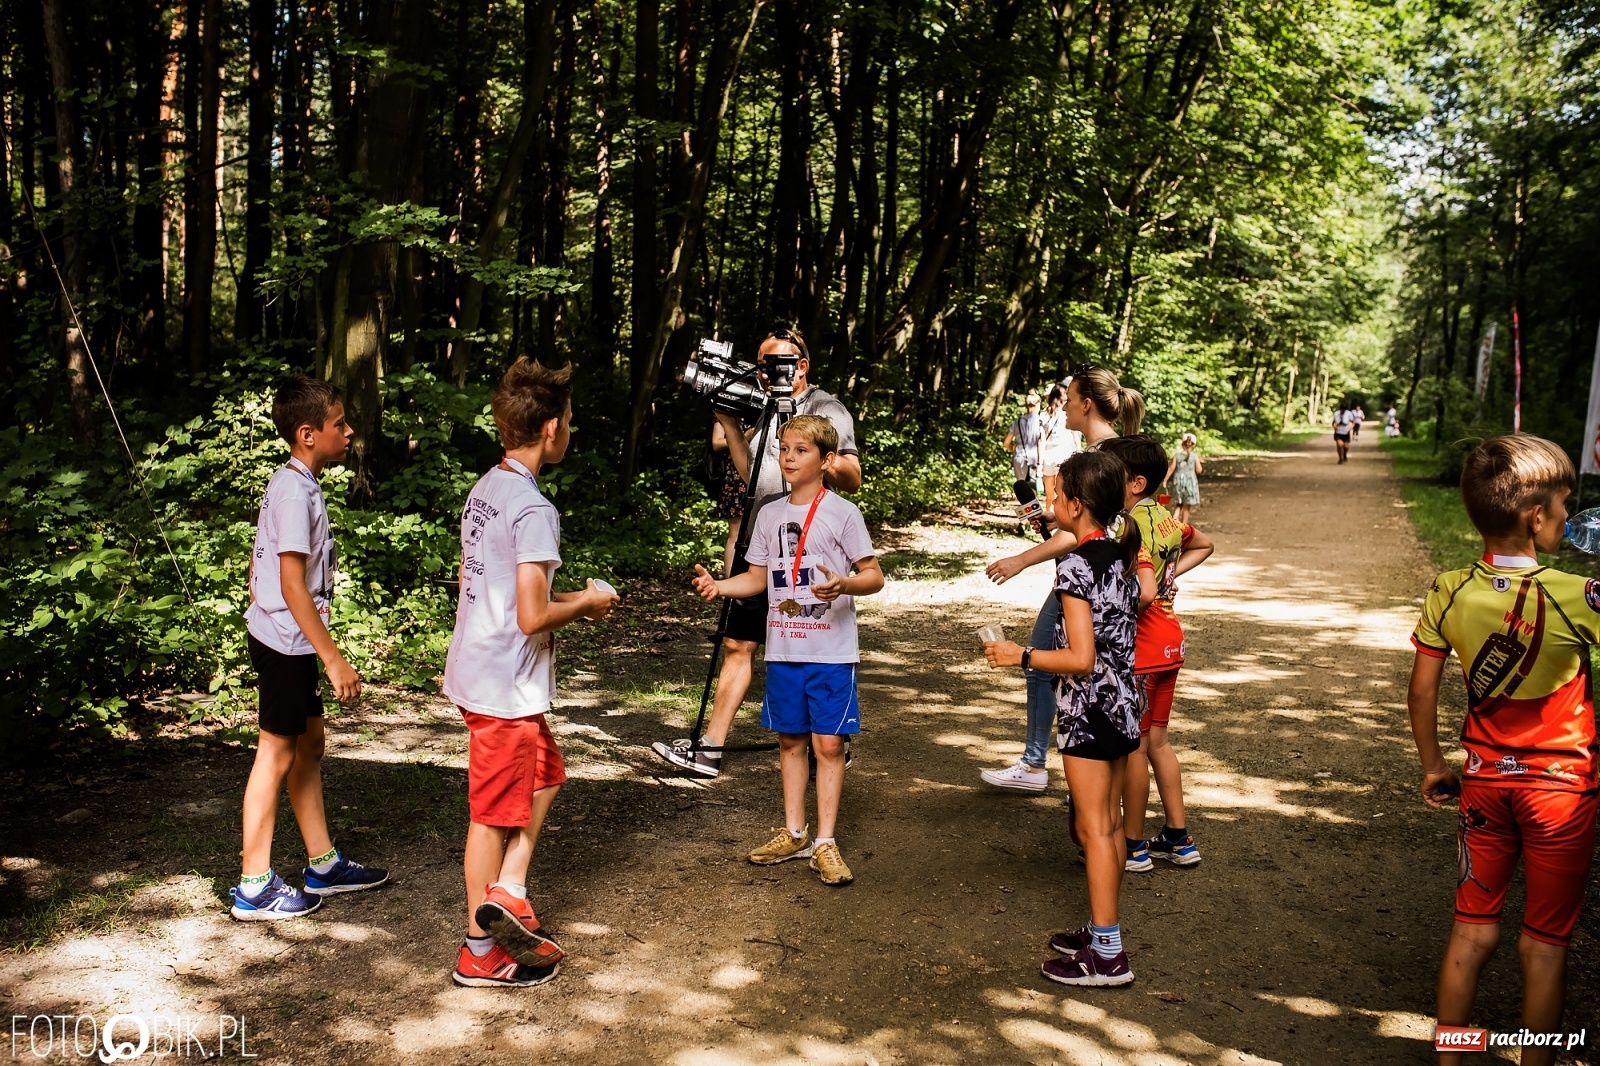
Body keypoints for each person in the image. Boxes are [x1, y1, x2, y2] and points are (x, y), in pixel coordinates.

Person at [1408, 435, 1596, 1066]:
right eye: (1565, 507)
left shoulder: (1449, 590)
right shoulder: (1579, 597)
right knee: (1543, 945)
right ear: (1535, 517)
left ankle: (1450, 1060)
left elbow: (1423, 689)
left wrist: (1435, 765)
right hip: (1562, 793)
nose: (1568, 519)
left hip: (1485, 784)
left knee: (1471, 931)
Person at [443, 358, 620, 988]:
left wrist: (565, 600)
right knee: (491, 815)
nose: (571, 430)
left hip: (478, 670)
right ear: (550, 428)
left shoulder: (487, 489)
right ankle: (479, 953)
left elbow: (485, 584)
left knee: (546, 773)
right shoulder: (534, 508)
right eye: (569, 421)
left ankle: (509, 891)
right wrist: (588, 604)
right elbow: (531, 615)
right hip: (503, 686)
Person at [654, 327, 863, 778]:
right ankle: (709, 749)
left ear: (801, 366)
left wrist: (819, 453)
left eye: (776, 364)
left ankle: (831, 744)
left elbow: (853, 477)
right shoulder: (760, 402)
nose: (765, 373)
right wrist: (730, 425)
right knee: (737, 643)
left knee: (813, 651)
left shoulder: (828, 409)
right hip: (763, 540)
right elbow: (754, 476)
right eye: (761, 363)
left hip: (811, 549)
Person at [689, 414, 884, 885]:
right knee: (790, 740)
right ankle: (795, 832)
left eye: (801, 450)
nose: (789, 457)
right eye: (784, 448)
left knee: (829, 744)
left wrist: (845, 584)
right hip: (783, 648)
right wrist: (720, 586)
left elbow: (874, 576)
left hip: (832, 651)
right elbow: (756, 578)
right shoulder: (769, 514)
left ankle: (826, 842)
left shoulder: (842, 513)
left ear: (827, 460)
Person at [232, 377, 389, 921]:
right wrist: (333, 657)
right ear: (307, 434)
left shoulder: (296, 482)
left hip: (290, 639)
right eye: (339, 424)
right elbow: (293, 584)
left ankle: (323, 863)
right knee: (275, 754)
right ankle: (254, 884)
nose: (348, 432)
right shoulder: (295, 491)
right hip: (286, 643)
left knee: (310, 744)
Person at [984, 450, 1143, 986]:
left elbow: (1081, 658)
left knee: (1092, 828)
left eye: (1056, 496)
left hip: (1091, 710)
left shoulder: (1076, 564)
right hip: (1123, 703)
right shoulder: (1116, 554)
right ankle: (1102, 930)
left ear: (1078, 504)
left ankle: (1107, 954)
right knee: (1110, 825)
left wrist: (1019, 656)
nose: (1050, 503)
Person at [979, 366, 1143, 792]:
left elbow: (1084, 534)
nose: (1064, 406)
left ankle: (1039, 764)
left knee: (1047, 659)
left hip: (1087, 573)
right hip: (1104, 571)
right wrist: (1056, 513)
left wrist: (1021, 559)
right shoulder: (1107, 450)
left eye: (1069, 399)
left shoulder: (1106, 453)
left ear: (1086, 404)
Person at [1099, 436, 1215, 873]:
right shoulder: (1164, 517)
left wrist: (1120, 607)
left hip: (1143, 647)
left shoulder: (1129, 525)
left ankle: (1133, 845)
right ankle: (1177, 836)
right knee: (1158, 743)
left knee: (1134, 747)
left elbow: (1141, 593)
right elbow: (1203, 544)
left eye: (1112, 475)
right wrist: (1171, 576)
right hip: (1170, 642)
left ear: (1134, 482)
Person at [711, 418, 754, 576]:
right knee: (736, 534)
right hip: (735, 479)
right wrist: (745, 436)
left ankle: (747, 580)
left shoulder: (761, 410)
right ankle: (730, 581)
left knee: (755, 533)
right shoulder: (728, 414)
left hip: (758, 478)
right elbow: (716, 442)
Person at [1038, 383, 1079, 518]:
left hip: (1048, 457)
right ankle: (1061, 520)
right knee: (1063, 492)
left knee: (1050, 493)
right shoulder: (1068, 413)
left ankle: (1049, 516)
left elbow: (1041, 440)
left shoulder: (1043, 414)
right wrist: (1079, 451)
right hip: (1065, 455)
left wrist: (1039, 462)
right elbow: (1074, 435)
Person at [1004, 392, 1044, 487]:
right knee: (1033, 491)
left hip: (1019, 457)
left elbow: (1006, 443)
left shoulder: (1017, 422)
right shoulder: (1041, 421)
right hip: (1035, 459)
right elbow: (1041, 442)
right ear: (1038, 404)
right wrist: (1041, 464)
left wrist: (1013, 449)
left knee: (1023, 490)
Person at [1162, 432, 1203, 526]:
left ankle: (1173, 524)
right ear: (1194, 445)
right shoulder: (1194, 456)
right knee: (1187, 506)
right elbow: (1199, 470)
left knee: (1178, 505)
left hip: (1178, 482)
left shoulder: (1177, 455)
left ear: (1182, 443)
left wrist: (1165, 480)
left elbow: (1172, 468)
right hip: (1190, 483)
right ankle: (1184, 527)